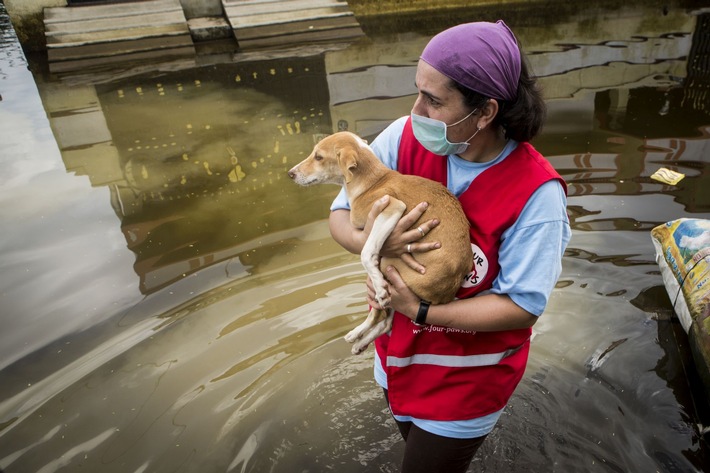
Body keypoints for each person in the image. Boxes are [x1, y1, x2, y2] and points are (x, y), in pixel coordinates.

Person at [328, 20, 570, 473]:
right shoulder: (402, 139)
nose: (415, 110)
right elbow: (339, 215)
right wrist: (374, 242)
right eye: (418, 92)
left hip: (467, 381)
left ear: (484, 113)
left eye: (434, 101)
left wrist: (420, 311)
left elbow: (522, 306)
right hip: (397, 360)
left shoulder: (537, 195)